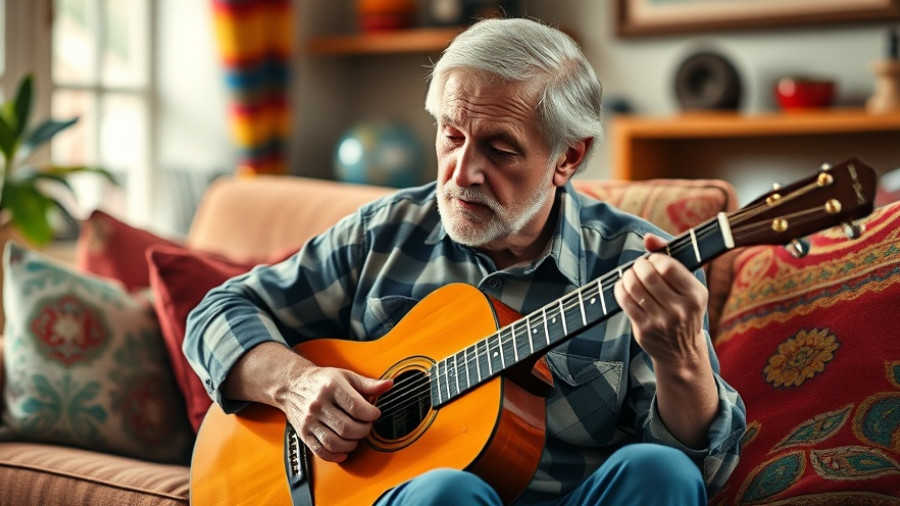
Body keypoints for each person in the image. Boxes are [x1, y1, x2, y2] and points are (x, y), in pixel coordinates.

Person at [184, 17, 745, 505]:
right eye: (452, 137)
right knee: (446, 492)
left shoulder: (640, 264)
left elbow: (705, 468)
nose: (461, 172)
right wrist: (296, 385)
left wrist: (684, 358)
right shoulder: (386, 232)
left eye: (499, 149)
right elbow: (218, 311)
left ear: (567, 157)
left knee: (661, 470)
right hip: (412, 499)